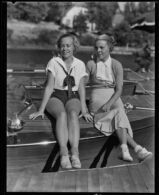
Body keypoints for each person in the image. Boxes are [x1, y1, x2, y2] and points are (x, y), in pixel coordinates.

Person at [84, 33, 152, 162]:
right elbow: (82, 83)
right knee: (120, 115)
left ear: (109, 48)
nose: (98, 50)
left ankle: (125, 150)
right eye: (96, 47)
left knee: (119, 112)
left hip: (114, 97)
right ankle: (137, 149)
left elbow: (119, 89)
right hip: (97, 97)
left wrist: (110, 103)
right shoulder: (91, 64)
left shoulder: (116, 65)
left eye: (101, 48)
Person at [29, 33, 92, 169]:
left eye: (68, 45)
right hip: (56, 95)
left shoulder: (80, 64)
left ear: (74, 47)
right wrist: (41, 109)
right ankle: (64, 153)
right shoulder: (54, 62)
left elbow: (81, 88)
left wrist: (85, 109)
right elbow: (49, 86)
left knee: (73, 114)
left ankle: (75, 153)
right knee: (61, 115)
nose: (65, 49)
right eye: (62, 46)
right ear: (59, 47)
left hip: (73, 95)